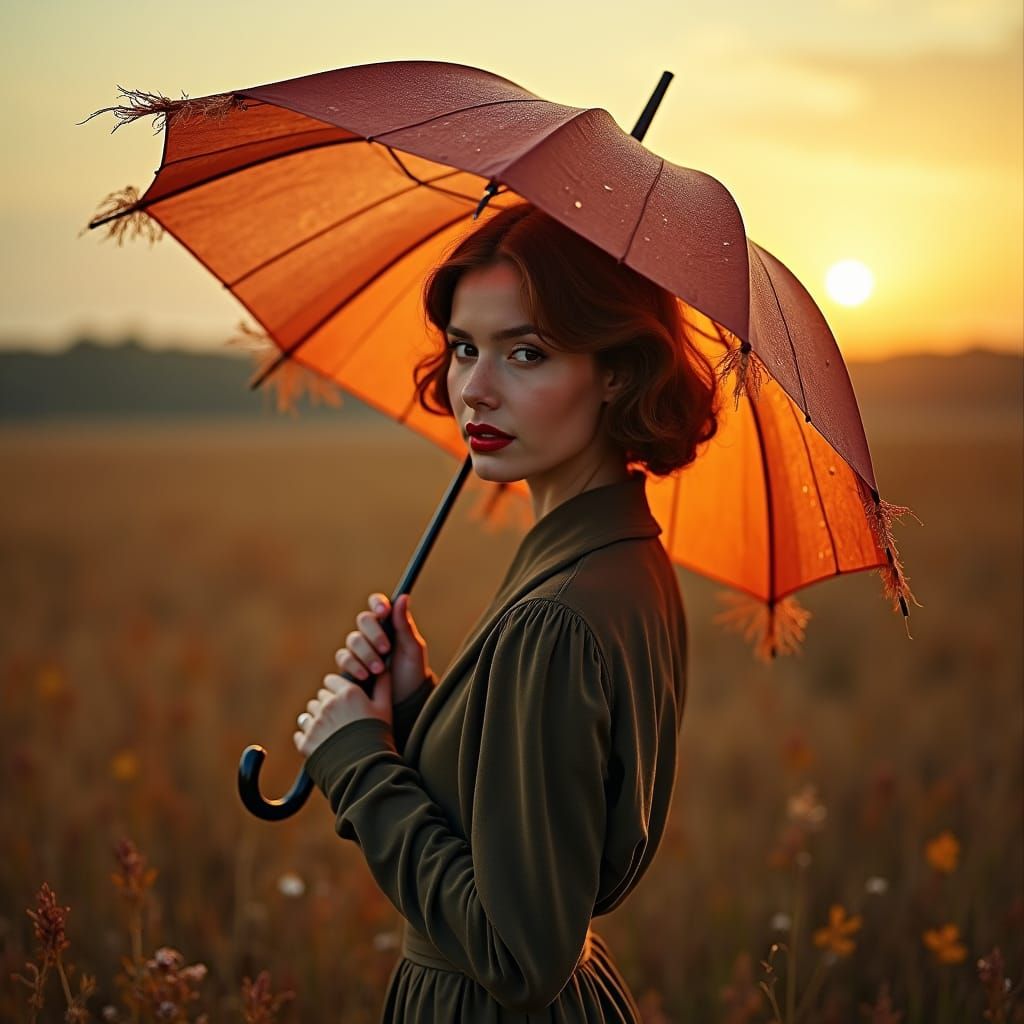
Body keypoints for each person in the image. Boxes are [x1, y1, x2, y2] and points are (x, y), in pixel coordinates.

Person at [292, 201, 720, 1021]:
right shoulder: (616, 560)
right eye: (463, 349)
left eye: (526, 352)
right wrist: (420, 706)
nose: (475, 390)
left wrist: (355, 763)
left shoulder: (557, 616)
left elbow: (518, 953)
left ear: (619, 372)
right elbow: (527, 819)